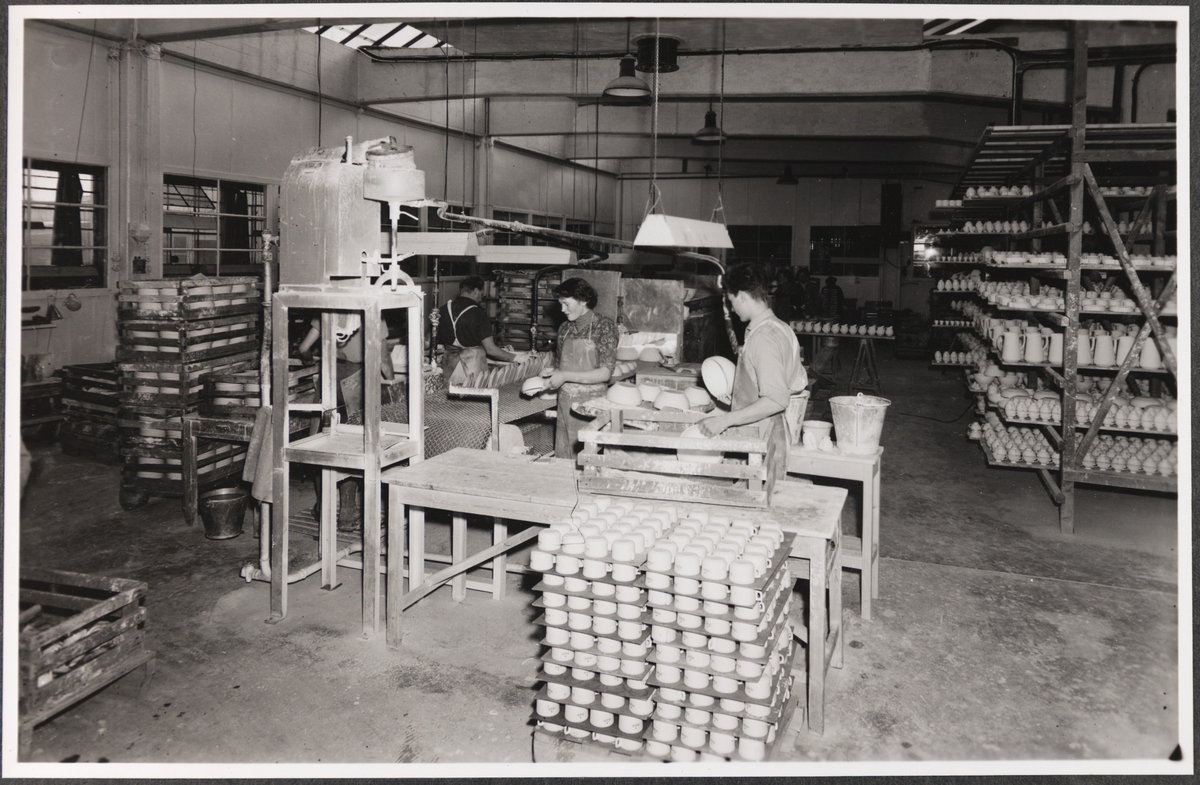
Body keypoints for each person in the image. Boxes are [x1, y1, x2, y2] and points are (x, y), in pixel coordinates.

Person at [700, 263, 808, 486]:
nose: (732, 309)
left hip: (762, 438)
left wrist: (725, 420)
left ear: (741, 296)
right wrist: (740, 398)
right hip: (766, 433)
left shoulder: (763, 338)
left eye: (731, 301)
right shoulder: (780, 327)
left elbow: (777, 399)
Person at [296, 313, 394, 530]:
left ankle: (323, 508)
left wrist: (310, 362)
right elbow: (383, 358)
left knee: (324, 442)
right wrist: (392, 382)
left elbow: (304, 348)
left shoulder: (329, 309)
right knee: (351, 445)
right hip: (356, 380)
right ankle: (348, 514)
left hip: (330, 376)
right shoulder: (373, 311)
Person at [540, 277, 619, 459]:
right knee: (563, 454)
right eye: (561, 304)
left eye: (566, 304)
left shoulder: (604, 326)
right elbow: (561, 364)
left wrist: (565, 375)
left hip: (590, 404)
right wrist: (551, 371)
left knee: (586, 458)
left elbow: (605, 373)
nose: (562, 309)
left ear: (583, 301)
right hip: (565, 402)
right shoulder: (565, 328)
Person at [437, 275, 529, 385]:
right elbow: (491, 349)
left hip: (449, 367)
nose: (481, 298)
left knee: (449, 396)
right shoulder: (478, 313)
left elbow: (429, 340)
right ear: (476, 291)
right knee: (473, 398)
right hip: (472, 371)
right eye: (481, 294)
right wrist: (517, 357)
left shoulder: (442, 310)